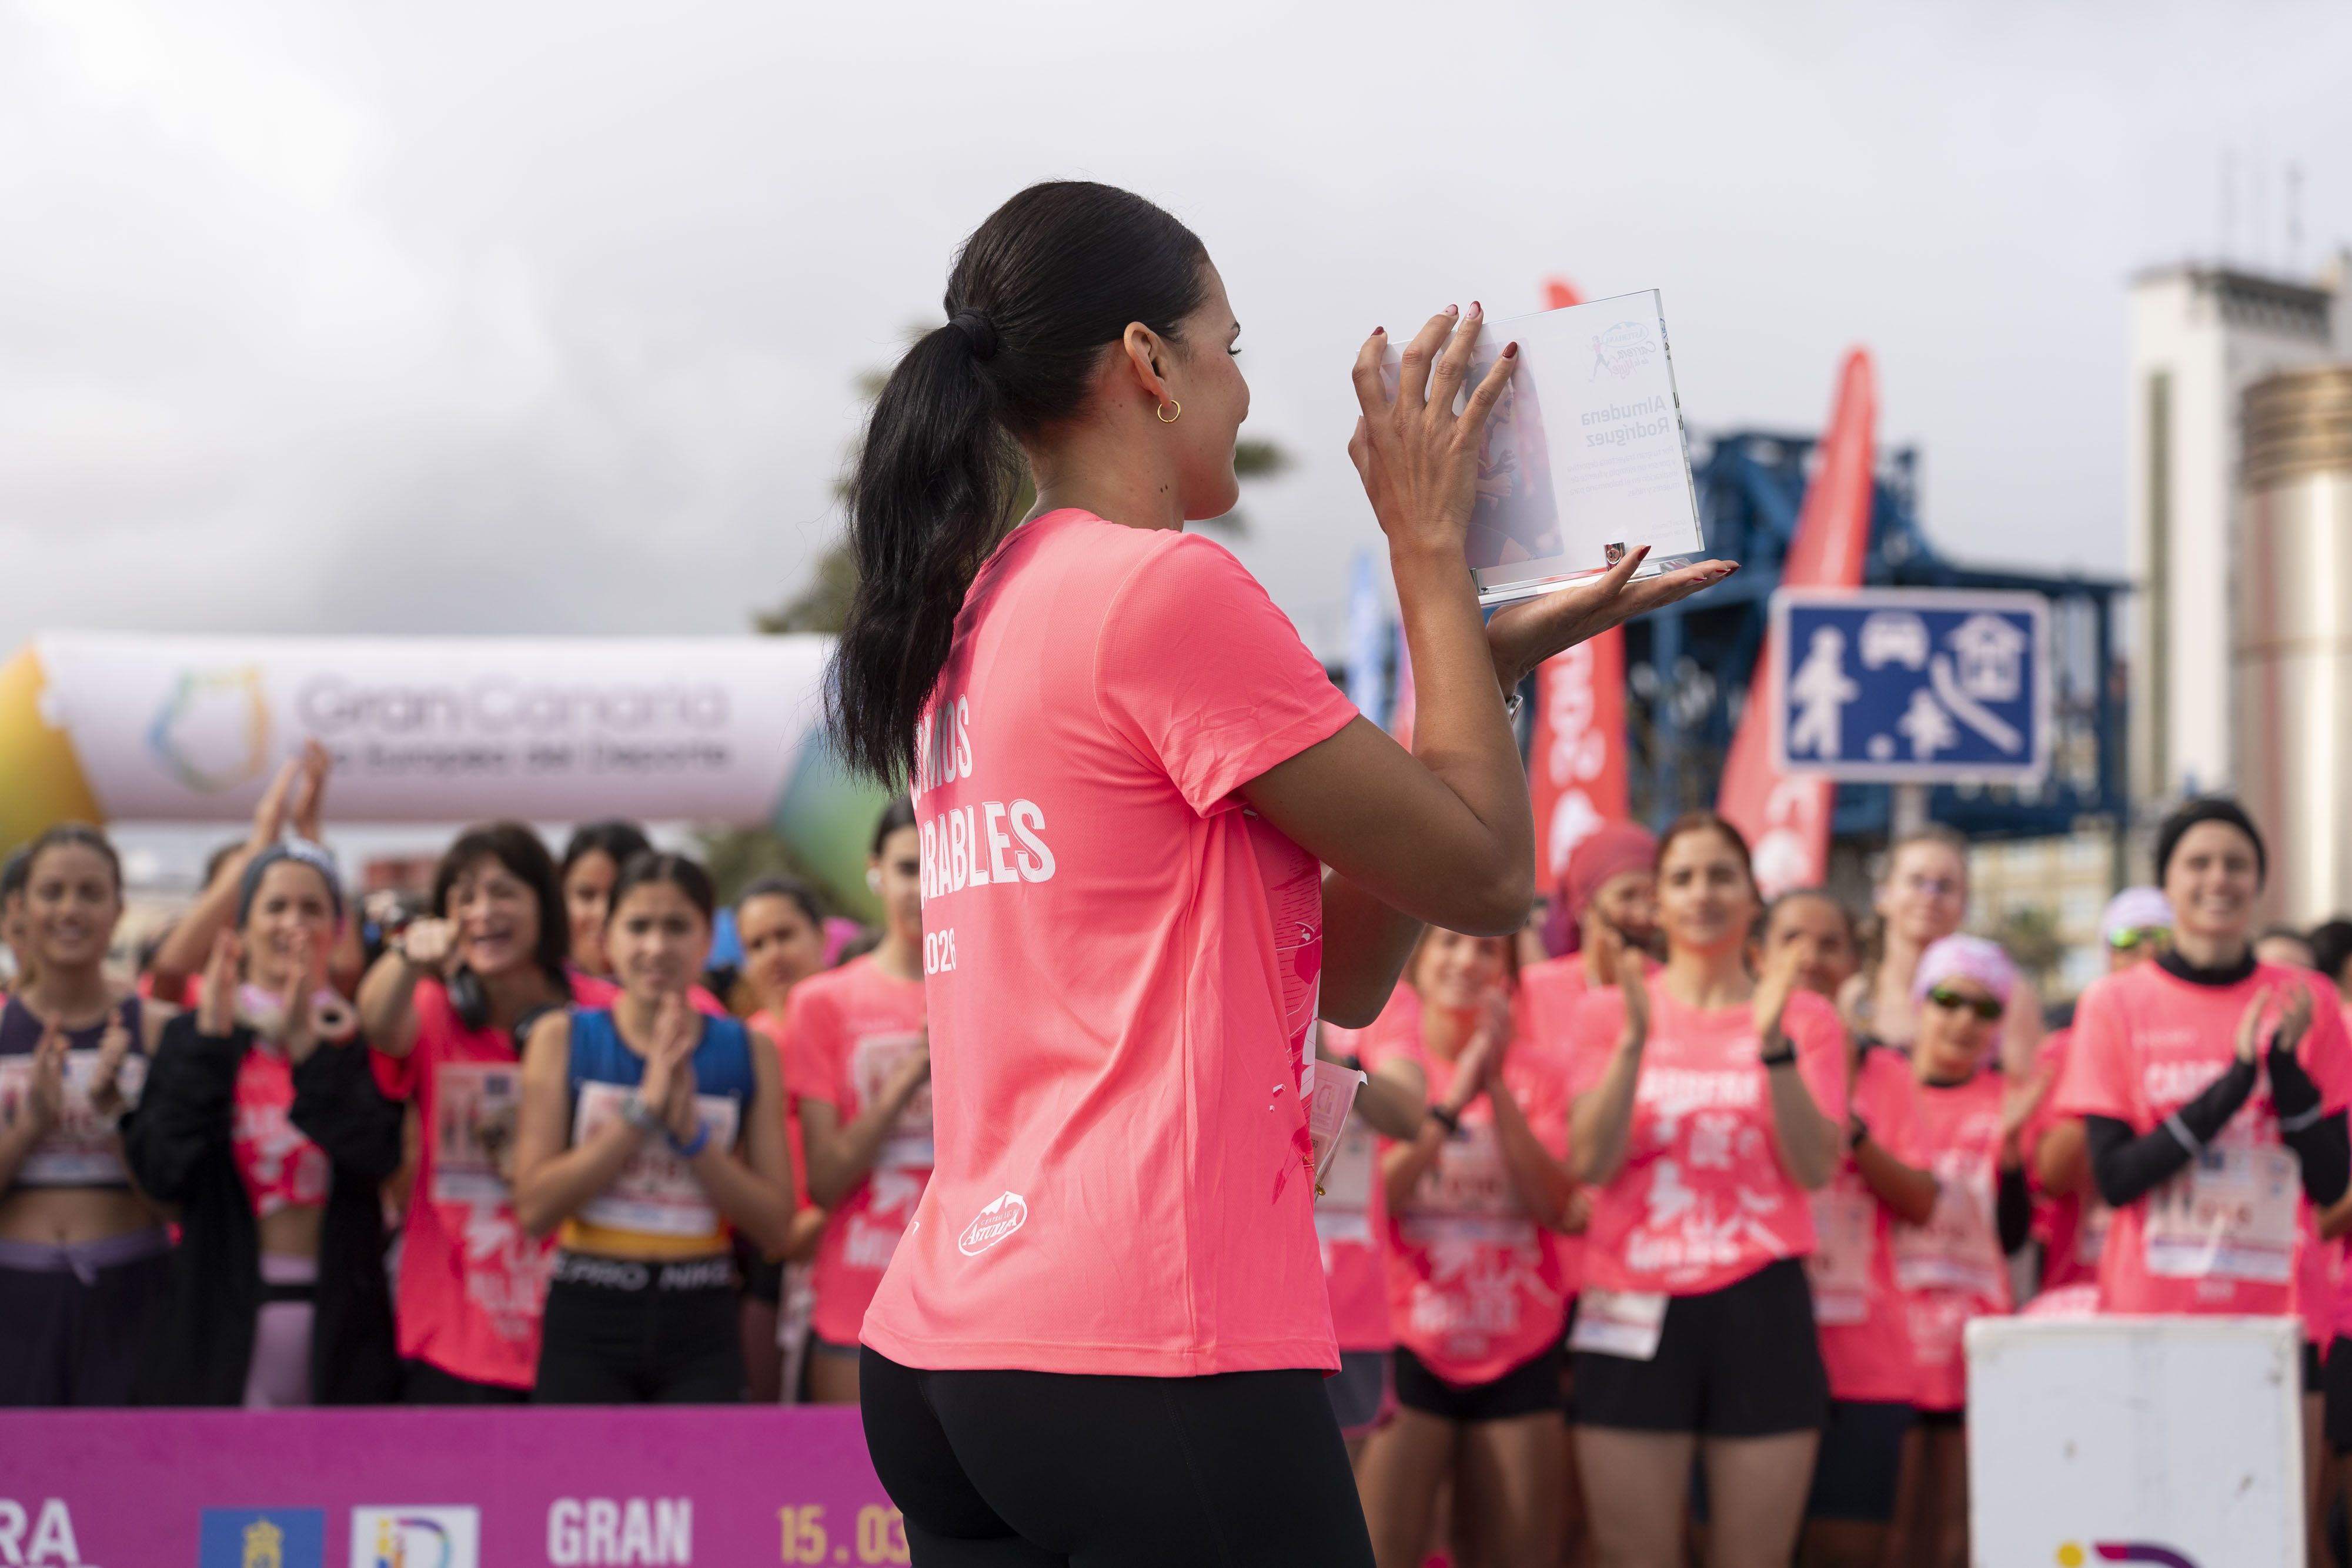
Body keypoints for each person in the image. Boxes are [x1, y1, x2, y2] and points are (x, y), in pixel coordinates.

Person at [832, 180, 1728, 1566]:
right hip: (1141, 1337)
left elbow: (1362, 953)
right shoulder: (1163, 592)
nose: (1244, 393)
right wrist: (1431, 550)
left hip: (960, 1348)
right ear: (1148, 365)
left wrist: (1478, 663)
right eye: (1230, 349)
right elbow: (1496, 881)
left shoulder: (985, 607)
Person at [2052, 798, 2352, 1560]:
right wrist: (2233, 1080)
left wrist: (2283, 1068)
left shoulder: (2307, 997)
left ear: (2259, 881)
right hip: (2153, 1312)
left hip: (2282, 1314)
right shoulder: (2114, 1002)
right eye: (2199, 862)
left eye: (2236, 864)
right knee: (2158, 1535)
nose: (2218, 878)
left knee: (2282, 1537)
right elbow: (2117, 1178)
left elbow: (2330, 1177)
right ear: (2170, 882)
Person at [1565, 814, 1845, 1568]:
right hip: (1630, 1301)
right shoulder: (1605, 1013)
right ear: (1656, 902)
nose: (1703, 894)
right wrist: (1631, 1040)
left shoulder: (1806, 1016)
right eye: (1682, 878)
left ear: (1755, 896)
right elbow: (1589, 1161)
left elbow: (1816, 1168)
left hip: (1761, 1301)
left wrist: (1773, 1042)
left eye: (1722, 875)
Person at [123, 842, 402, 1405]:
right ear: (242, 926)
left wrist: (310, 1051)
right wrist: (210, 1044)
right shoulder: (197, 1036)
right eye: (275, 907)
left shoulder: (359, 1038)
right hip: (220, 1324)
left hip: (344, 1329)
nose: (293, 924)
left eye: (312, 908)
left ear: (337, 928)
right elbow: (163, 1171)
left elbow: (379, 1155)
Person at [511, 851, 794, 1402]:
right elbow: (534, 1207)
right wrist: (643, 1111)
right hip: (588, 1310)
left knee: (702, 1487)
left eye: (676, 926)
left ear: (708, 937)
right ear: (607, 935)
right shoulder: (562, 1038)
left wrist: (691, 1137)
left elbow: (777, 1226)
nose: (657, 946)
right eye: (638, 926)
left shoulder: (748, 1049)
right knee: (576, 1487)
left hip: (703, 1314)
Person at [1355, 930, 1579, 1568]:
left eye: (1487, 950)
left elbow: (1558, 1206)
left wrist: (1498, 1084)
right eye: (1449, 944)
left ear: (1507, 971)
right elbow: (1380, 1200)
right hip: (1406, 1344)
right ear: (1417, 962)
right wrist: (1453, 1102)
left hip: (1520, 1347)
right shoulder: (1388, 1070)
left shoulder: (1543, 1074)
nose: (1466, 961)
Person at [358, 823, 573, 1403]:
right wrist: (407, 955)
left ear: (543, 905)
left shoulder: (597, 1013)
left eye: (504, 893)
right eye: (465, 896)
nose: (483, 912)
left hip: (574, 1334)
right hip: (450, 1334)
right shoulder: (431, 1008)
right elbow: (377, 1021)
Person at [1756, 891, 1934, 1568]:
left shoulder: (1887, 1070)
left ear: (1854, 963)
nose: (1810, 956)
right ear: (1759, 953)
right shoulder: (1724, 1054)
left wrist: (1845, 1128)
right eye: (1792, 938)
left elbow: (1921, 1201)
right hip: (1750, 1348)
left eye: (1829, 943)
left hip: (1862, 1366)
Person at [1881, 935, 2042, 1568]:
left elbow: (2013, 1237)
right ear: (1920, 1004)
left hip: (1971, 1336)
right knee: (1889, 1526)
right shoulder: (1881, 1085)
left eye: (1984, 1009)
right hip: (1887, 1333)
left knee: (1956, 1530)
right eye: (1948, 999)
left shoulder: (2007, 1098)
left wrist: (2008, 1155)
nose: (1963, 1020)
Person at [0, 824, 174, 1405]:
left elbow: (176, 1201)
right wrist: (30, 1125)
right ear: (20, 908)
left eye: (90, 893)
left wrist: (115, 1118)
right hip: (15, 1301)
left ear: (118, 908)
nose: (70, 910)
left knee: (128, 1488)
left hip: (132, 1296)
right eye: (53, 892)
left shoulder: (159, 1030)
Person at [779, 802, 930, 1406]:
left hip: (977, 1301)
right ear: (876, 873)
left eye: (943, 863)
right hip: (858, 1301)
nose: (926, 886)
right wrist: (911, 1074)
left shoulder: (1005, 985)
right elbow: (824, 1180)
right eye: (909, 867)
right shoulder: (824, 1003)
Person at [2024, 886, 2171, 1314]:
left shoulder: (2199, 1042)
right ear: (2106, 953)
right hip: (2081, 1285)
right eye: (2126, 940)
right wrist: (2109, 1065)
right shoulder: (2062, 1049)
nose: (2144, 952)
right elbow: (2052, 1176)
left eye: (2159, 939)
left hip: (2172, 1281)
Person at [1312, 984, 1432, 1467]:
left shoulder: (1387, 997)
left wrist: (1325, 1055)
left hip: (1346, 1315)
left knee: (1326, 1513)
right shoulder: (1234, 961)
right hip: (1240, 1302)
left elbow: (1407, 1114)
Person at [735, 875, 833, 1401]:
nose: (774, 954)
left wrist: (820, 1217)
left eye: (785, 934)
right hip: (768, 1268)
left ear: (821, 936)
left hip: (857, 1251)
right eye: (757, 943)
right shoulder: (742, 1043)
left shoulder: (851, 1026)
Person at [1840, 823, 2042, 1076]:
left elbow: (2025, 1088)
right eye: (1917, 881)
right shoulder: (1856, 996)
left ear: (1965, 904)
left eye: (1945, 886)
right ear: (1883, 894)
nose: (1930, 896)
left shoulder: (2007, 994)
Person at [559, 821, 652, 991]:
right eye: (586, 895)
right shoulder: (534, 996)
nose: (601, 913)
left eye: (618, 896)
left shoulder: (690, 1007)